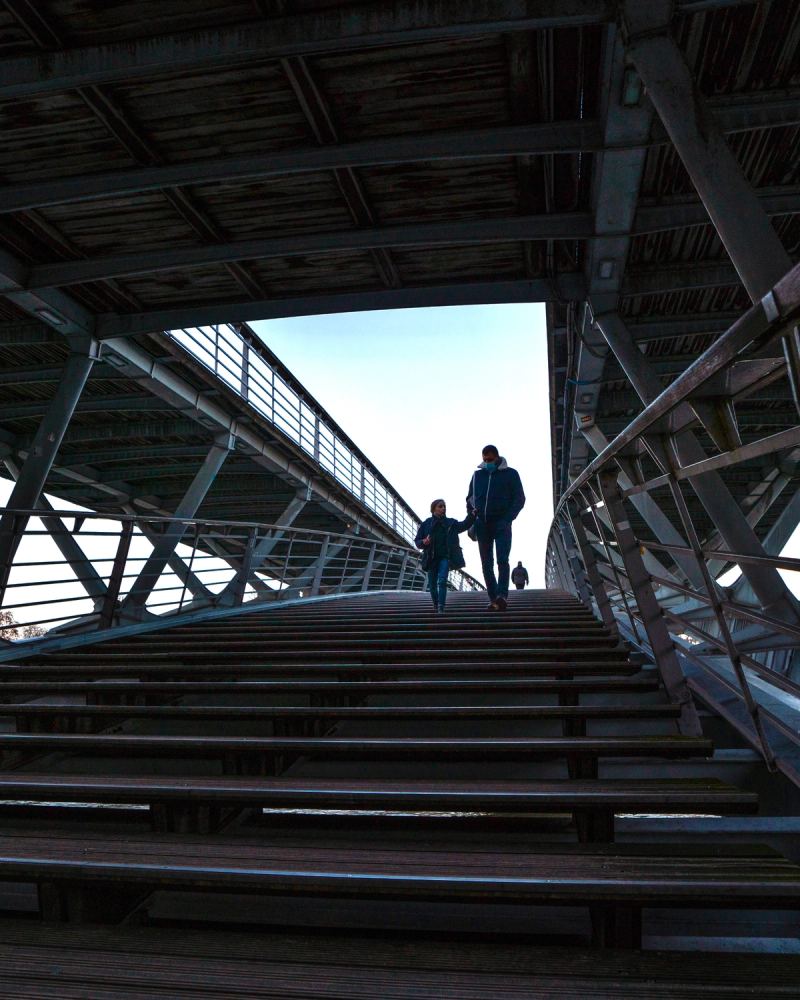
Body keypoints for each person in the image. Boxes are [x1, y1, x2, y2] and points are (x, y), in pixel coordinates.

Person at [466, 444, 525, 611]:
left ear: (497, 457)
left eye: (490, 460)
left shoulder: (511, 474)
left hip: (502, 524)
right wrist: (472, 514)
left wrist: (507, 518)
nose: (487, 463)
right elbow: (469, 498)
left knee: (502, 560)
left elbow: (519, 498)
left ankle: (502, 595)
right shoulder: (477, 475)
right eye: (484, 460)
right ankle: (493, 599)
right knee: (486, 563)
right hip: (482, 524)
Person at [414, 499, 474, 614]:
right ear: (433, 509)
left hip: (445, 557)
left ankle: (441, 606)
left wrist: (472, 515)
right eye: (440, 506)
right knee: (432, 585)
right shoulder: (426, 524)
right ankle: (436, 605)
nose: (443, 508)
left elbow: (464, 525)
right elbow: (417, 541)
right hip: (431, 558)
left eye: (444, 506)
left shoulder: (450, 523)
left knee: (442, 580)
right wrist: (423, 542)